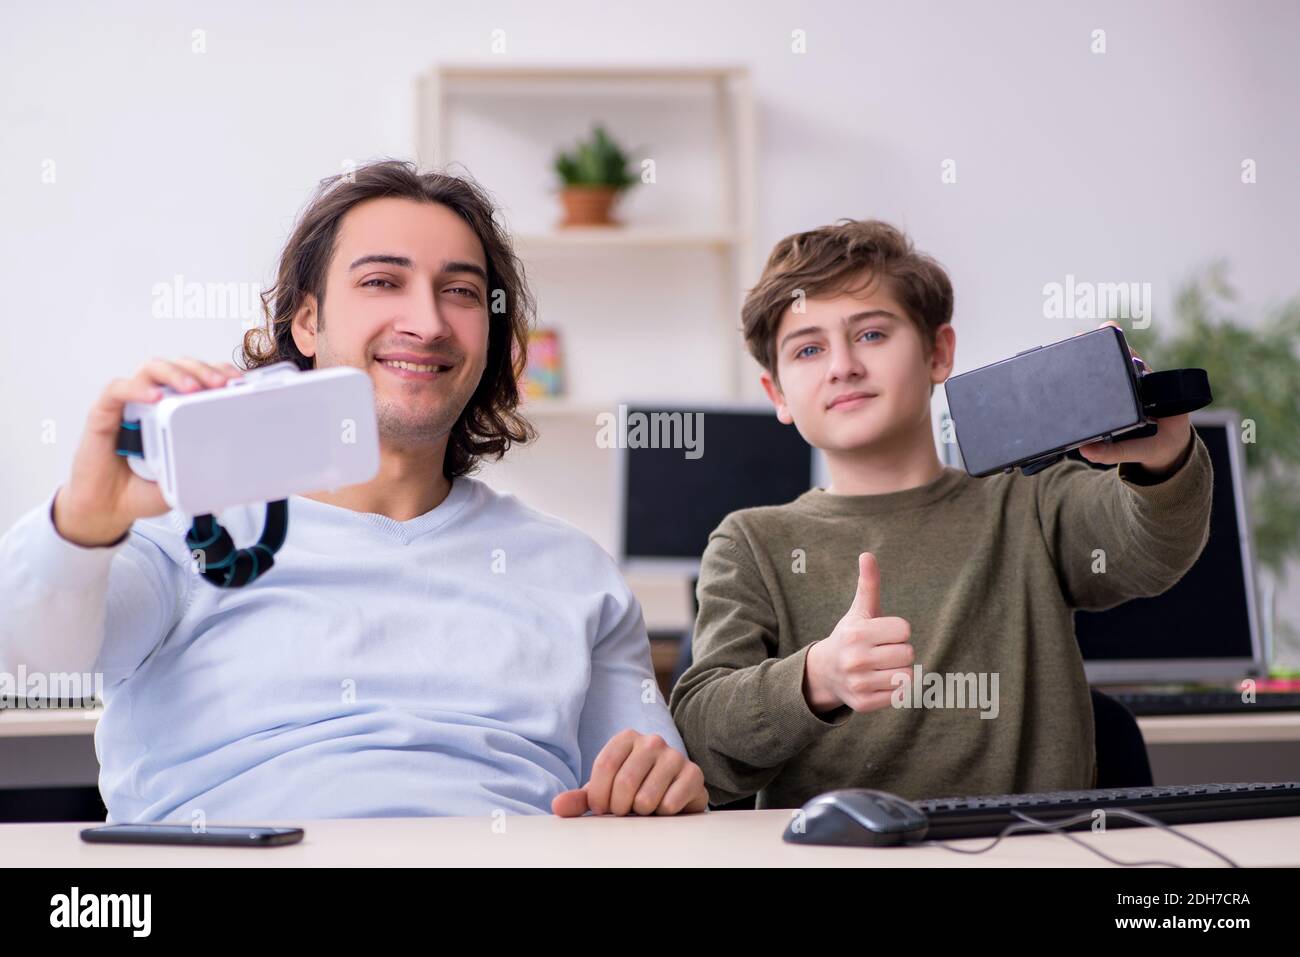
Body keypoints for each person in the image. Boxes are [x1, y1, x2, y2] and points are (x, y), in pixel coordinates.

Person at [0, 160, 706, 823]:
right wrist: (84, 521)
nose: (426, 323)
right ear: (306, 321)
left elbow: (644, 794)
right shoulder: (182, 529)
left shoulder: (577, 573)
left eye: (459, 291)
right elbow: (32, 657)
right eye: (381, 282)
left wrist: (659, 787)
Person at [670, 219, 1212, 808]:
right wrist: (817, 678)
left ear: (938, 352)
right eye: (808, 349)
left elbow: (1151, 547)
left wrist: (1163, 455)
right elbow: (703, 736)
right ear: (777, 394)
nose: (842, 365)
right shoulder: (750, 543)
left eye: (872, 335)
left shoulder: (1030, 502)